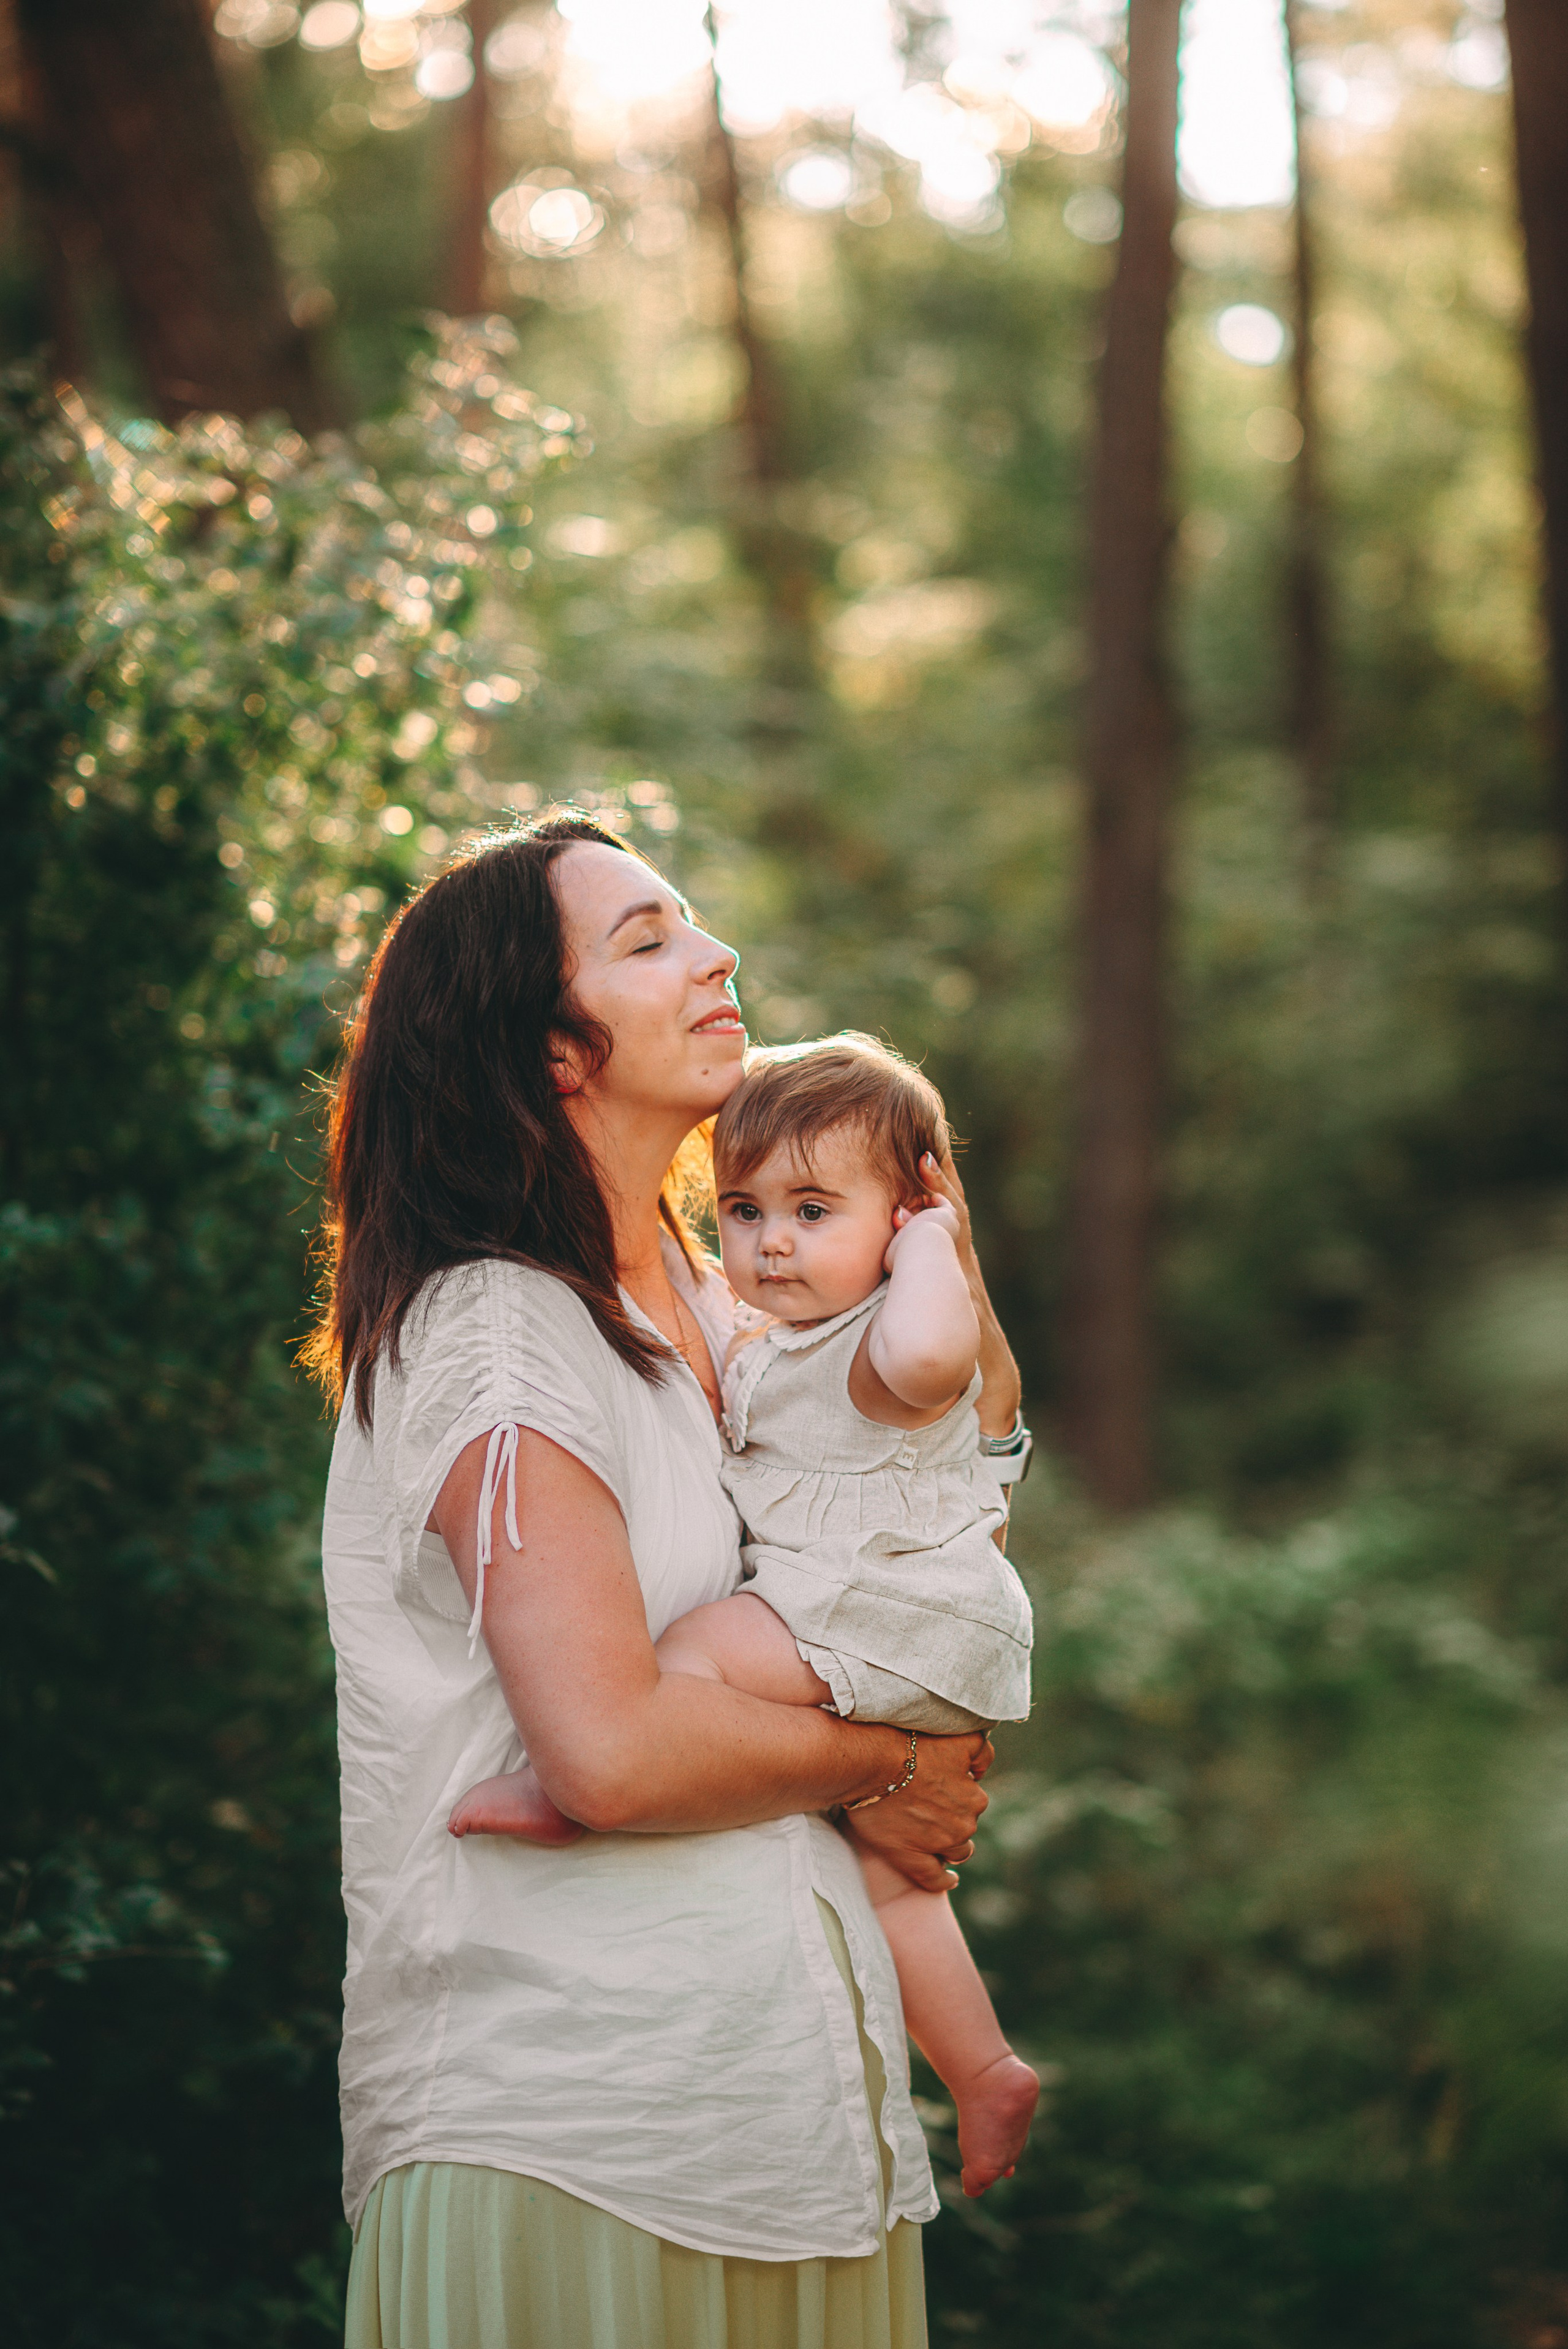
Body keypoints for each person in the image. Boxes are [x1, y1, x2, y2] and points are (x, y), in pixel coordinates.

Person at [306, 813, 1030, 2349]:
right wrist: (888, 1762)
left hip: (788, 2136)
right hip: (575, 2142)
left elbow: (922, 1511)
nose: (718, 958)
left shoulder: (727, 1308)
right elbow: (612, 1752)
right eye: (648, 941)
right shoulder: (501, 1332)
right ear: (552, 1048)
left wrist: (933, 1254)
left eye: (695, 926)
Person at [451, 1034, 1040, 2199]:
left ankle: (581, 1780)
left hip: (877, 1610)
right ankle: (983, 2068)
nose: (772, 1241)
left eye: (816, 1209)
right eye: (743, 1207)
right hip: (906, 1630)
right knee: (891, 1874)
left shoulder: (882, 1346)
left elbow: (938, 1357)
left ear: (908, 1214)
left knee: (689, 1660)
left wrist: (937, 1252)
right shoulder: (786, 1329)